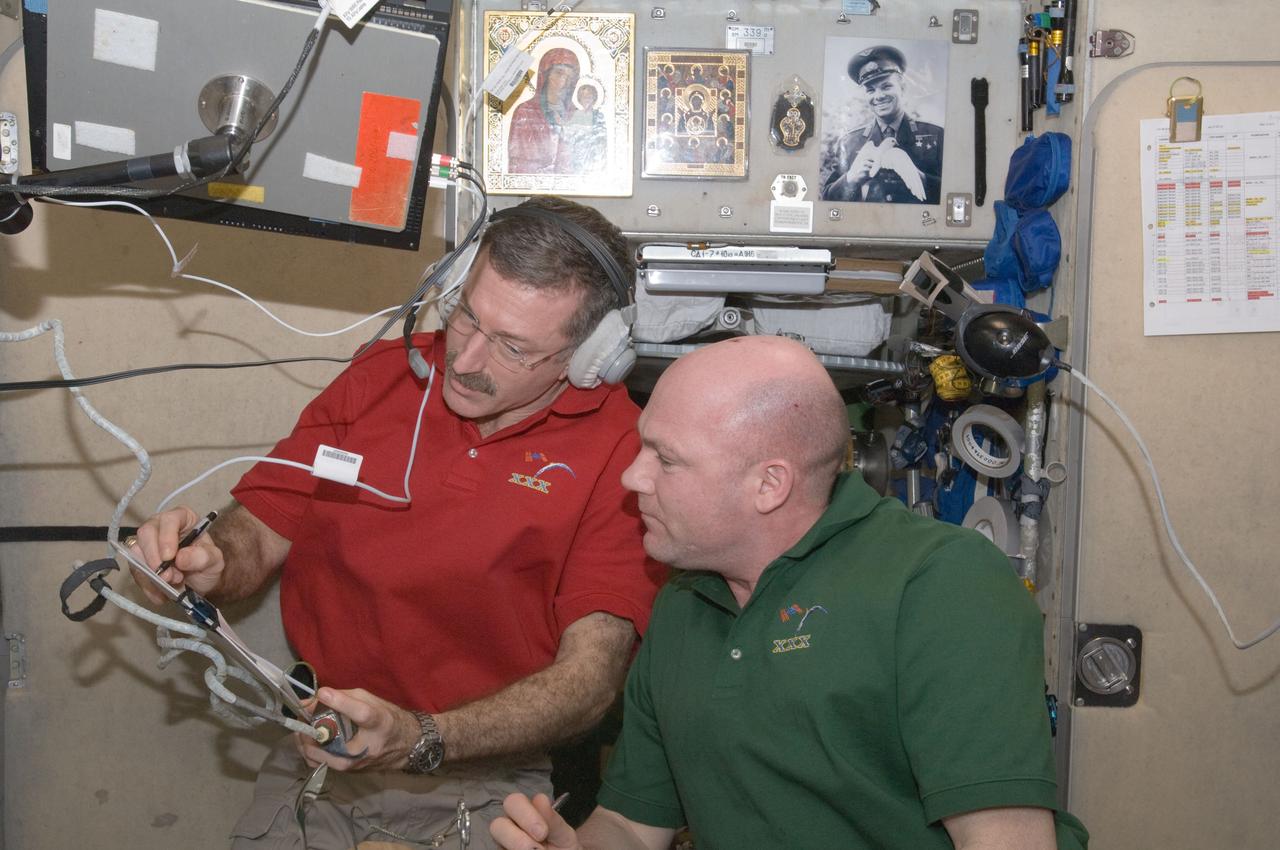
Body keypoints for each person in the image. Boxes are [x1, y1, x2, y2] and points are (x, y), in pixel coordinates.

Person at [129, 197, 666, 849]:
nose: (465, 361)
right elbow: (263, 528)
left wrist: (421, 738)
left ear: (591, 358)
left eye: (513, 348)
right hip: (328, 751)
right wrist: (209, 559)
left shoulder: (624, 452)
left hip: (484, 776)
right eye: (467, 316)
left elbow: (589, 682)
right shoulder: (383, 377)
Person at [491, 336, 1090, 850]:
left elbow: (1005, 840)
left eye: (665, 460)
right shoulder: (683, 603)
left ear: (769, 484)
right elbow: (629, 824)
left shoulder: (939, 582)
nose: (632, 476)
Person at [822, 45, 944, 204]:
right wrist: (850, 179)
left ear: (902, 88)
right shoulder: (849, 142)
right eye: (870, 90)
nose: (879, 96)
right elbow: (827, 201)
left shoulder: (936, 136)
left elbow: (955, 191)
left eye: (886, 86)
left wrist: (921, 178)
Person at [508, 48, 585, 174]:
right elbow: (517, 162)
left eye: (570, 77)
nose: (564, 81)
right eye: (559, 73)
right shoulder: (525, 112)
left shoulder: (577, 115)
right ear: (545, 75)